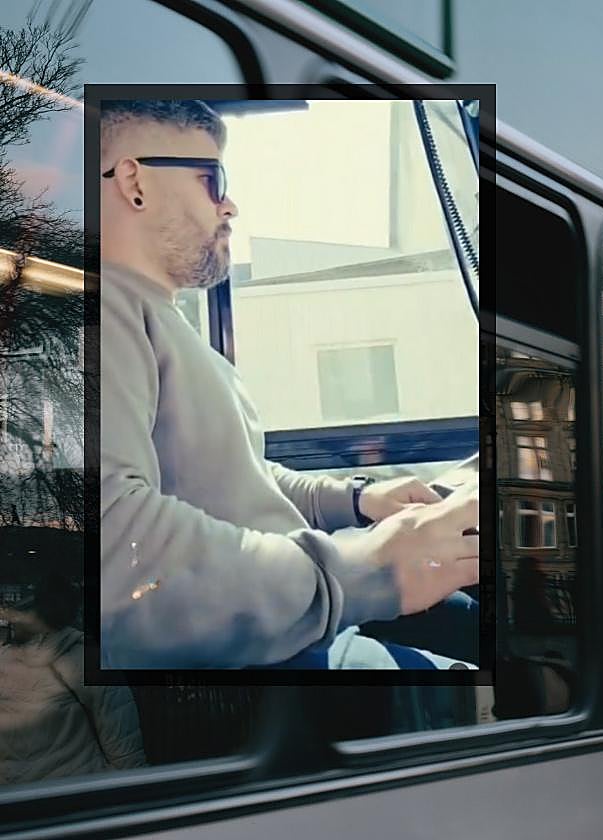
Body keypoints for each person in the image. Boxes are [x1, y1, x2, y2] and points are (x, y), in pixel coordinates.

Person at [99, 99, 478, 668]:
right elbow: (119, 542)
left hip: (301, 608)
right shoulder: (104, 311)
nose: (229, 205)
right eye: (211, 179)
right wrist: (362, 570)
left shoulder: (166, 324)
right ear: (135, 183)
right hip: (279, 639)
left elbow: (240, 478)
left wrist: (358, 499)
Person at [0, 575, 146, 783]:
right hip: (77, 793)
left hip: (17, 801)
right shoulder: (87, 660)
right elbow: (124, 748)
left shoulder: (4, 660)